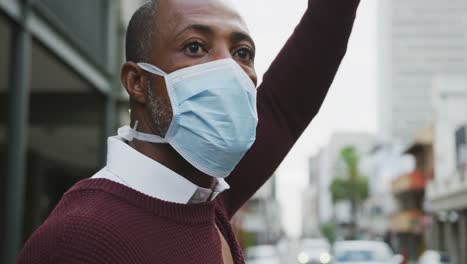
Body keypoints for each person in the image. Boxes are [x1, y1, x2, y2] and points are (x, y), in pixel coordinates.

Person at [18, 0, 360, 263]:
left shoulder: (207, 196)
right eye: (195, 47)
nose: (228, 69)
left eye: (242, 53)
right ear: (137, 82)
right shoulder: (77, 240)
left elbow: (290, 102)